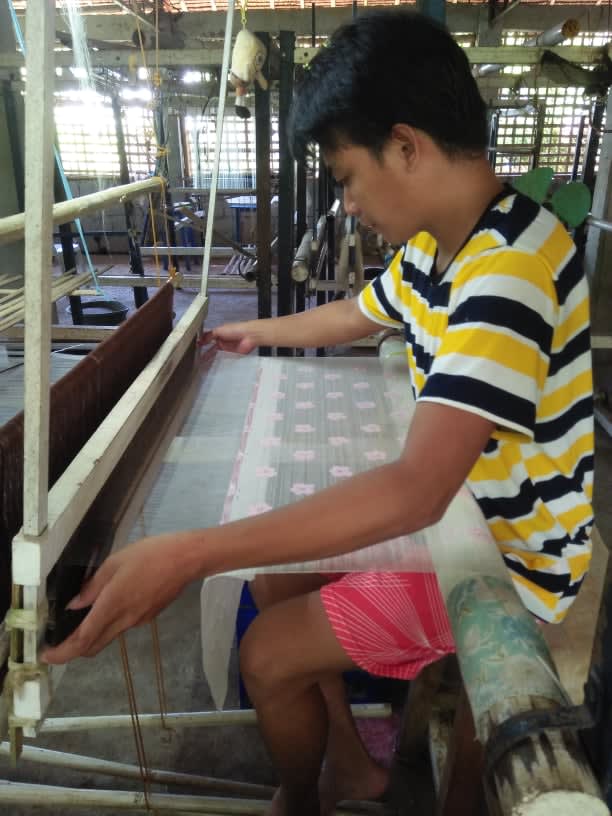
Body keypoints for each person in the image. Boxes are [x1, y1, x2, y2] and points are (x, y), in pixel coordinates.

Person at [42, 10, 594, 816]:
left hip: (501, 559)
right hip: (466, 515)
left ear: (405, 146)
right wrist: (247, 332)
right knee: (273, 575)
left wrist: (191, 552)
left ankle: (303, 795)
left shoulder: (506, 272)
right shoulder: (445, 246)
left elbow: (415, 491)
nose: (348, 202)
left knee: (267, 653)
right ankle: (348, 760)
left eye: (345, 177)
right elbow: (358, 315)